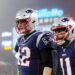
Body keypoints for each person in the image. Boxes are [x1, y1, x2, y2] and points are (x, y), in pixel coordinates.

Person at [14, 8, 55, 75]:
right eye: (18, 22)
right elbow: (20, 65)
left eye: (22, 22)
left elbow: (48, 65)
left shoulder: (40, 37)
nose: (19, 25)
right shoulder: (20, 40)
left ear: (33, 21)